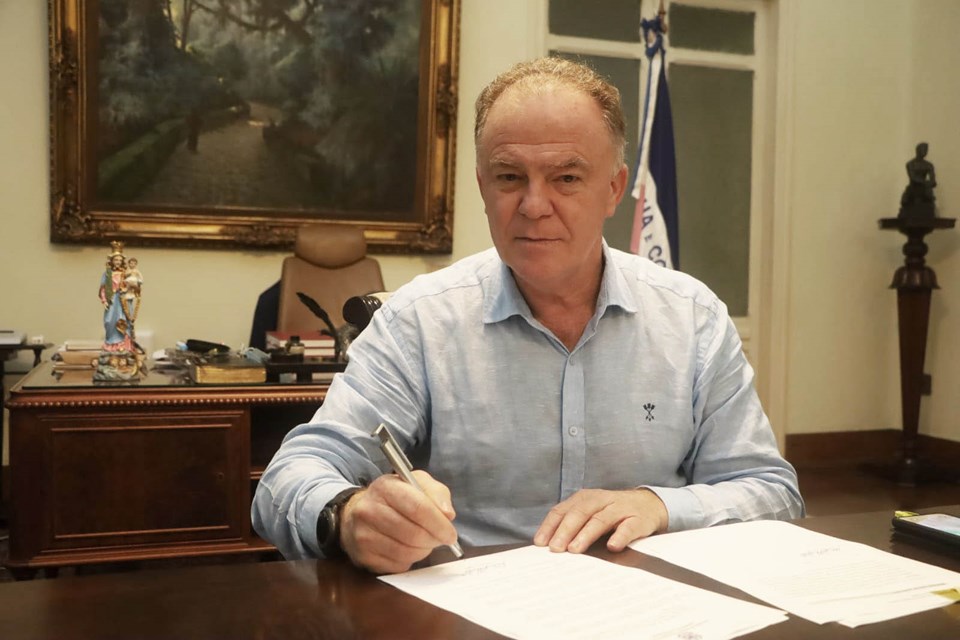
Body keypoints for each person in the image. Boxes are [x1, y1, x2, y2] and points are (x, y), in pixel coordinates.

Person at [252, 57, 804, 575]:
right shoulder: (419, 321)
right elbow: (288, 478)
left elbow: (772, 492)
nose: (534, 206)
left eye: (566, 178)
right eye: (510, 177)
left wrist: (658, 506)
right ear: (483, 187)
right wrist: (347, 515)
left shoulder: (692, 319)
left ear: (614, 189)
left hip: (650, 610)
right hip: (467, 612)